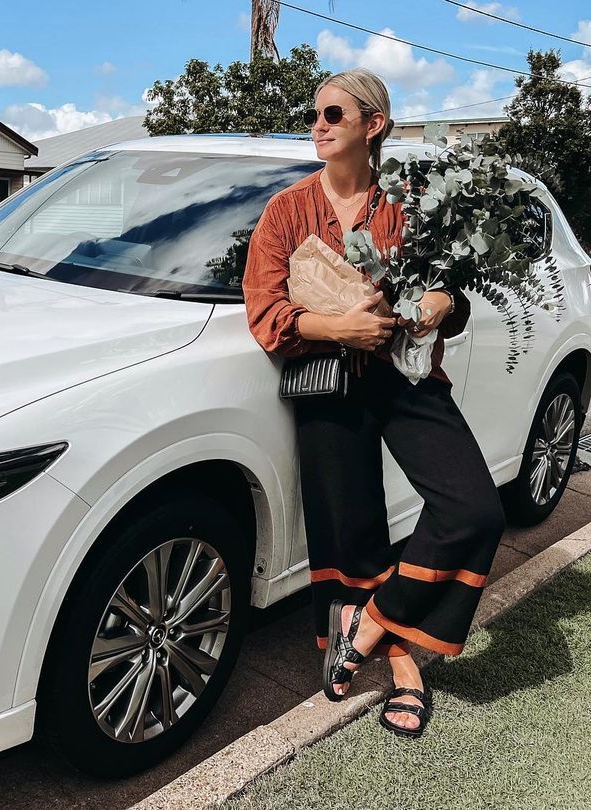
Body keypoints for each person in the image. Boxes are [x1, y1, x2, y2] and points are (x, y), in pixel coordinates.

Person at [241, 68, 506, 738]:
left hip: (404, 374)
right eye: (315, 115)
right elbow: (266, 311)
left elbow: (451, 294)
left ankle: (371, 622)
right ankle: (402, 662)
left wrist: (441, 302)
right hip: (327, 378)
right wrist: (339, 327)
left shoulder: (409, 206)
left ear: (373, 124)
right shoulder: (285, 211)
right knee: (351, 531)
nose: (319, 126)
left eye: (333, 114)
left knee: (473, 509)